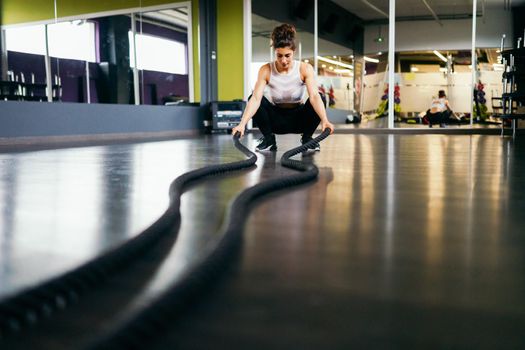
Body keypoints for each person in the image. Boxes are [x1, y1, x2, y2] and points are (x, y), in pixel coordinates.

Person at [231, 23, 334, 151]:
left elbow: (314, 96)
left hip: (299, 119)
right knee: (254, 97)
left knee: (321, 96)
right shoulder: (265, 70)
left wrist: (325, 120)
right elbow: (256, 99)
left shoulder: (304, 69)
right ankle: (269, 139)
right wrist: (242, 124)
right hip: (276, 119)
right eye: (279, 56)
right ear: (275, 52)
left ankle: (307, 138)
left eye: (287, 55)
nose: (283, 60)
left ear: (293, 52)